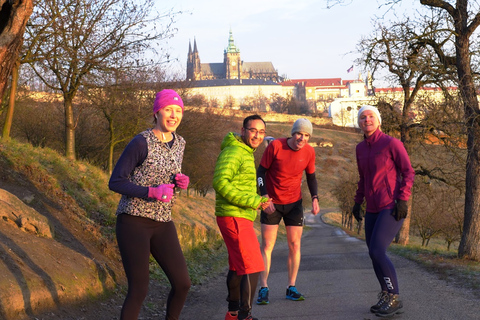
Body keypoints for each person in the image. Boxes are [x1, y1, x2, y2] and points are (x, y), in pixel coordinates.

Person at [108, 89, 191, 320]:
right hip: (133, 222)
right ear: (156, 112)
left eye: (178, 110)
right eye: (168, 109)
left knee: (182, 283)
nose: (173, 115)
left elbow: (167, 172)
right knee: (139, 289)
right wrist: (151, 192)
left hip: (163, 221)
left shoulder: (180, 142)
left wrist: (181, 180)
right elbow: (115, 182)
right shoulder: (140, 142)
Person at [352, 105, 414, 318]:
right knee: (373, 254)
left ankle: (395, 297)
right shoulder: (360, 148)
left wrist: (402, 200)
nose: (366, 120)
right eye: (362, 117)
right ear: (359, 122)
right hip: (372, 208)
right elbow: (363, 178)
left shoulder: (391, 143)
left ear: (378, 121)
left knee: (378, 251)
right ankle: (387, 295)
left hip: (391, 206)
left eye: (370, 116)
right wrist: (357, 202)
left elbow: (408, 171)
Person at [213, 115, 273, 320]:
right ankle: (244, 316)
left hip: (238, 215)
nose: (257, 135)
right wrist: (252, 200)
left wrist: (257, 200)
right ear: (243, 130)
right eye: (253, 130)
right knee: (253, 265)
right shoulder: (234, 151)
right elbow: (220, 183)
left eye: (261, 132)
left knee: (238, 266)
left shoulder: (246, 152)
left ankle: (233, 314)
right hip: (234, 215)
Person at [255, 118, 320, 305]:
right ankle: (264, 288)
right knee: (267, 246)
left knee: (295, 245)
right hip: (271, 204)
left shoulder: (309, 151)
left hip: (294, 204)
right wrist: (264, 197)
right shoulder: (276, 146)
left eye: (306, 135)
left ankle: (291, 287)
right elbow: (260, 172)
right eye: (299, 133)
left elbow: (311, 177)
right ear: (293, 133)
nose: (302, 138)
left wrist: (315, 198)